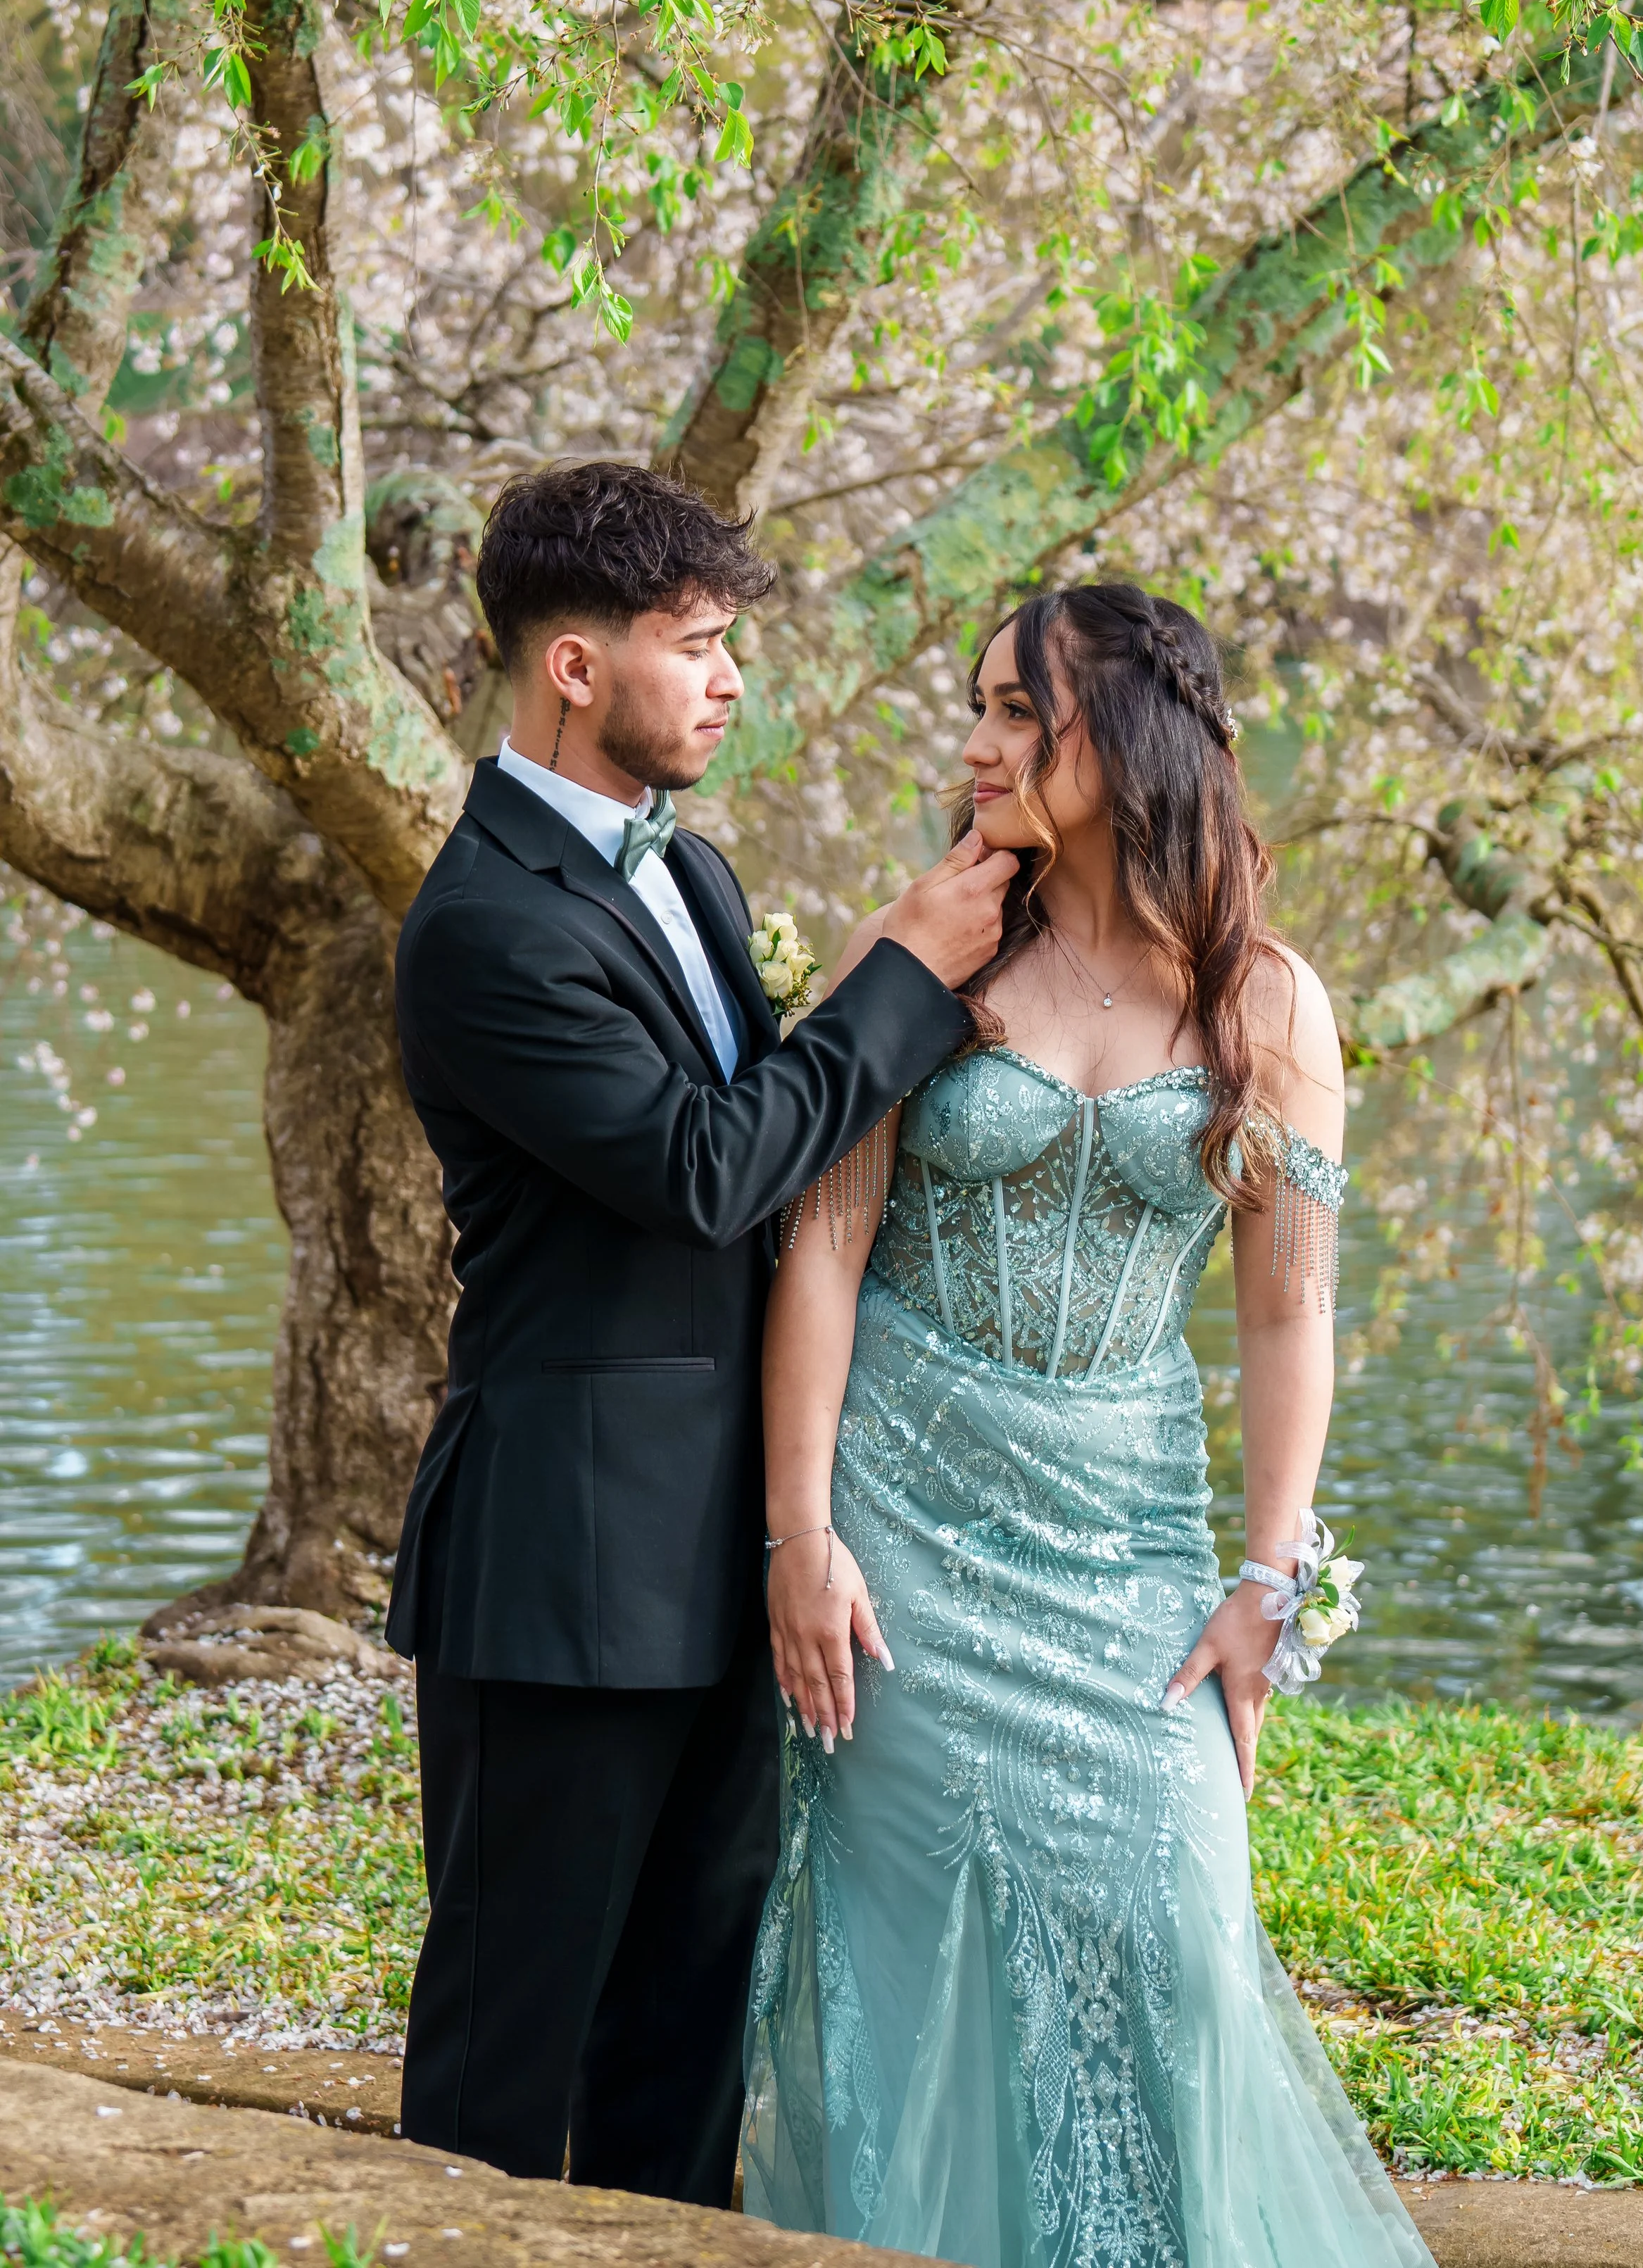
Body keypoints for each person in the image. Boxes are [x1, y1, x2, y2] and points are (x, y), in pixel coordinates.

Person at [745, 581, 1435, 2268]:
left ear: (1114, 738)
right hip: (896, 1529)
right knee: (910, 1969)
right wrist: (799, 1532)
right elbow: (822, 1247)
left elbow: (1289, 1310)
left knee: (1182, 1939)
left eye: (1010, 712)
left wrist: (1264, 1581)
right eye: (972, 709)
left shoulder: (1266, 1005)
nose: (974, 746)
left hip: (1121, 1538)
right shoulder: (931, 943)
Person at [384, 460, 1016, 2197]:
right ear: (572, 668)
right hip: (564, 1573)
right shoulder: (486, 927)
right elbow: (701, 1168)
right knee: (508, 2056)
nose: (731, 680)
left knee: (682, 2041)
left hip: (732, 1550)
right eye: (699, 644)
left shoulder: (697, 873)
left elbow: (781, 1131)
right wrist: (900, 971)